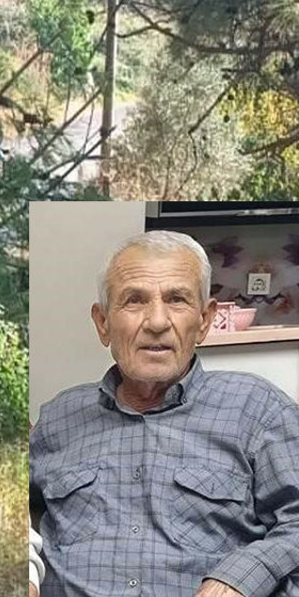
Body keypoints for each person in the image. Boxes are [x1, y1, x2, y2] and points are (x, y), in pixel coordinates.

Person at [31, 230, 299, 597]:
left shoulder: (258, 408)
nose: (157, 321)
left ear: (204, 320)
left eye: (177, 300)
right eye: (134, 301)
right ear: (103, 323)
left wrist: (241, 577)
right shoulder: (56, 420)